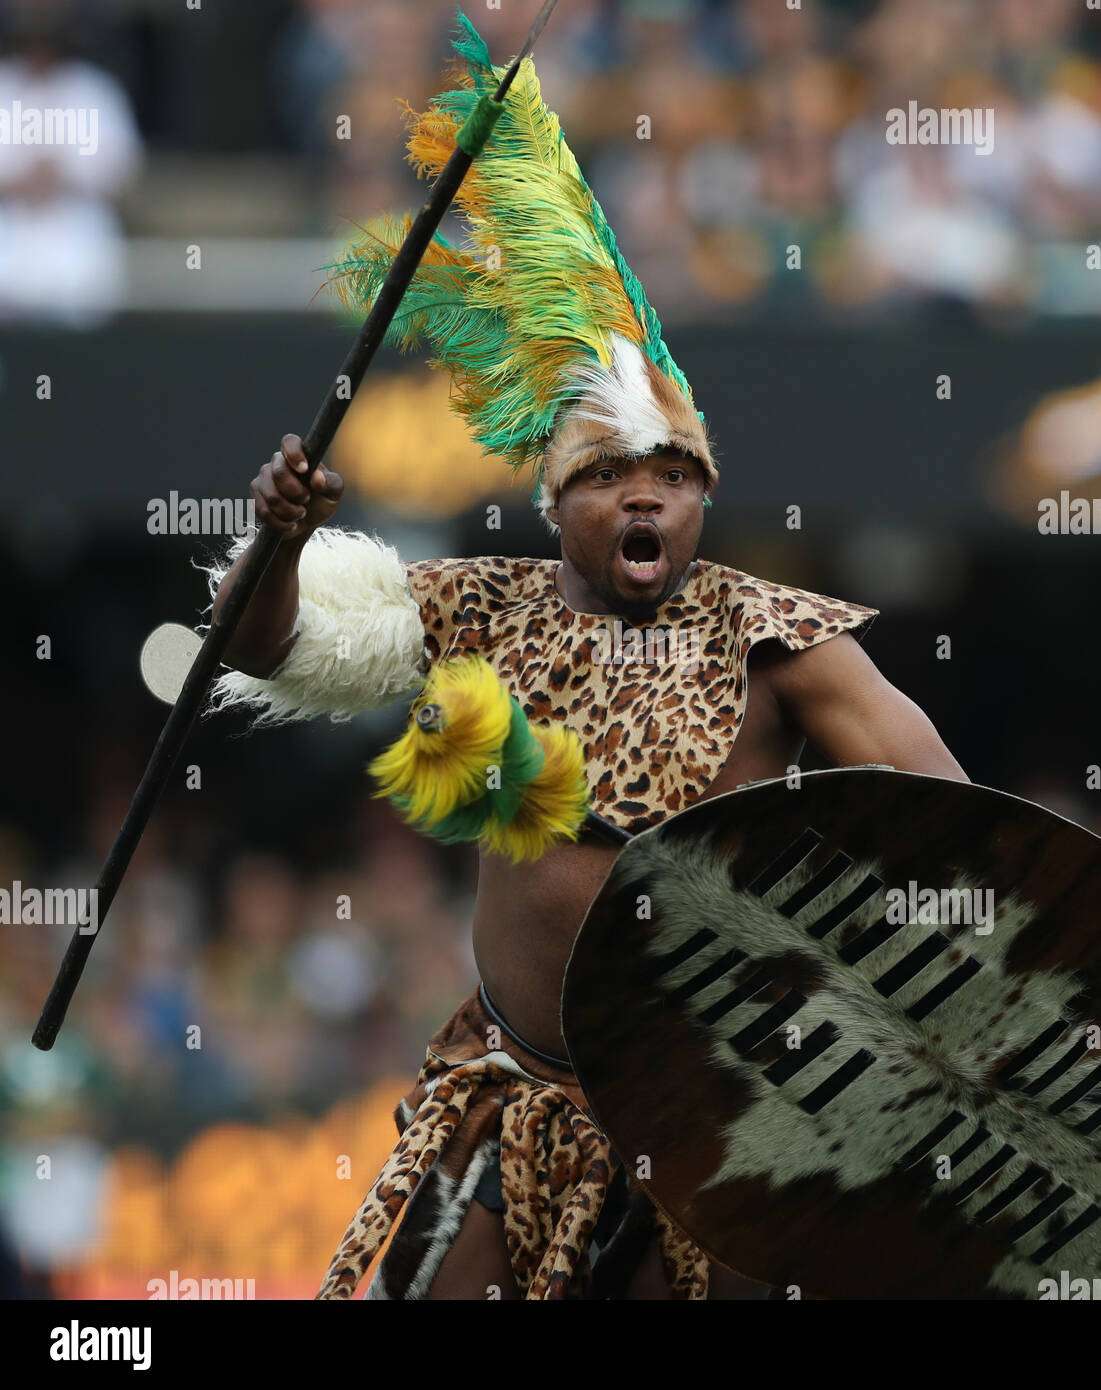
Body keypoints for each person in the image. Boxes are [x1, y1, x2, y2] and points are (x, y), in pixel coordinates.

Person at [204, 14, 968, 1300]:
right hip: (516, 1100)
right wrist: (275, 545)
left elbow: (961, 834)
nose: (646, 495)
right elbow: (262, 643)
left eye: (674, 474)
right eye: (611, 474)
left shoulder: (781, 640)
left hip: (723, 1113)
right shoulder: (478, 607)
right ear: (557, 503)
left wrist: (854, 974)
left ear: (704, 496)